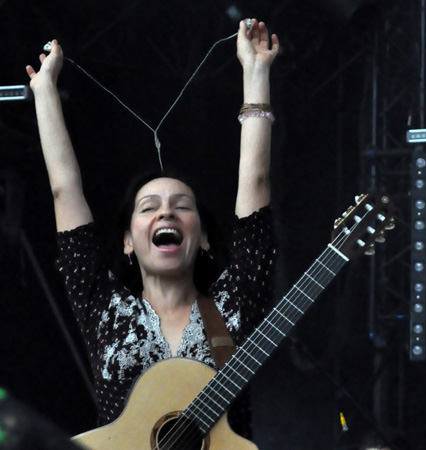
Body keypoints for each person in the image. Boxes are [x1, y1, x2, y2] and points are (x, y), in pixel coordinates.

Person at [25, 18, 279, 441]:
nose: (166, 215)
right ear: (127, 241)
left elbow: (255, 184)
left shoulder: (236, 301)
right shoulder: (102, 305)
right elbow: (62, 190)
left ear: (203, 239)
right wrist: (45, 91)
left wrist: (255, 71)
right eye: (149, 208)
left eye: (182, 207)